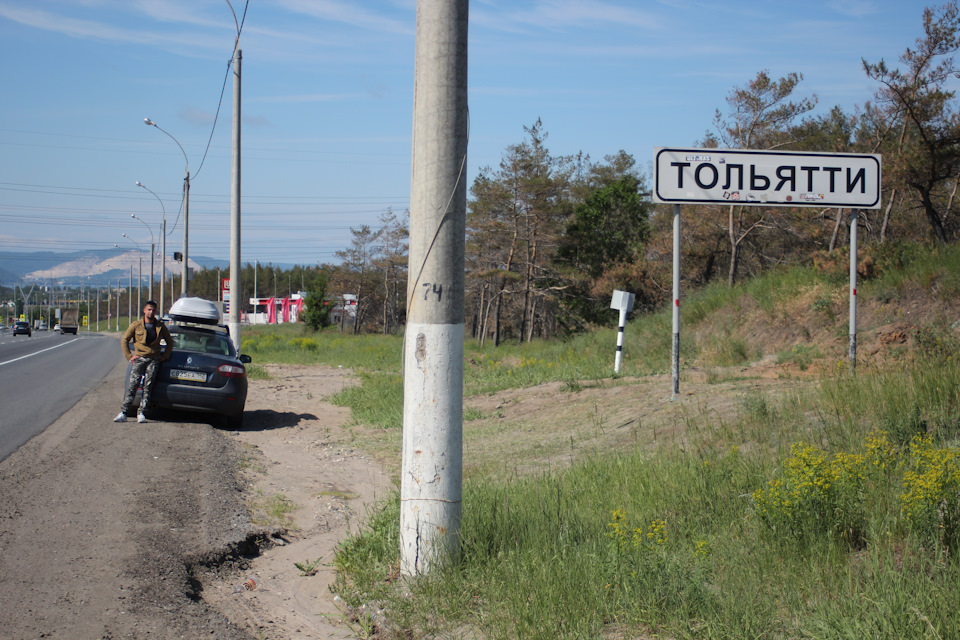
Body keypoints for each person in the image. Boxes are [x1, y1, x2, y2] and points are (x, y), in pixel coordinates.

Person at [115, 300, 173, 424]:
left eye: (153, 310)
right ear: (144, 310)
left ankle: (141, 413)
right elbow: (125, 340)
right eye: (149, 310)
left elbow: (170, 342)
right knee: (133, 385)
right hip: (139, 358)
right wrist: (129, 356)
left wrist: (165, 356)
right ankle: (124, 412)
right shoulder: (136, 325)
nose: (151, 312)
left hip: (153, 359)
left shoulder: (160, 326)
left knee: (148, 386)